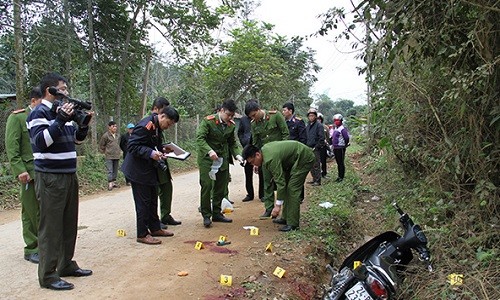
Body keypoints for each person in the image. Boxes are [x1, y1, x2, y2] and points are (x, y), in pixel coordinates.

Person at [26, 72, 93, 290]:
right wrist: (61, 120)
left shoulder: (60, 112)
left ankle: (66, 265)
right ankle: (48, 276)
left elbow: (75, 140)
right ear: (50, 90)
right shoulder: (39, 112)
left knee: (68, 224)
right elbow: (41, 142)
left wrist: (82, 126)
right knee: (51, 228)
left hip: (68, 174)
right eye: (62, 89)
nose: (66, 92)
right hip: (50, 177)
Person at [121, 106, 180, 245]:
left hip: (148, 170)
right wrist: (151, 153)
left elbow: (153, 143)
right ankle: (142, 234)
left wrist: (161, 151)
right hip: (137, 171)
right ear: (162, 116)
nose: (169, 126)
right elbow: (133, 146)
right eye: (169, 123)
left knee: (153, 200)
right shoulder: (145, 126)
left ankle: (155, 228)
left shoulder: (157, 127)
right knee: (143, 203)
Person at [5, 86, 42, 264]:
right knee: (30, 211)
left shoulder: (45, 118)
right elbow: (12, 148)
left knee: (44, 210)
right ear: (33, 101)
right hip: (28, 172)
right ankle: (32, 248)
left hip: (44, 171)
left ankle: (44, 245)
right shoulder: (18, 118)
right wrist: (20, 170)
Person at [242, 140, 315, 232]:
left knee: (292, 189)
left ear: (257, 155)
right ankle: (285, 218)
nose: (253, 164)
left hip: (304, 158)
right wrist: (257, 165)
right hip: (293, 160)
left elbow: (281, 183)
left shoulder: (270, 158)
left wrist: (277, 206)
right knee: (288, 187)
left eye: (253, 162)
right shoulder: (264, 151)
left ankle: (293, 224)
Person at [197, 99, 243, 228]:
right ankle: (206, 215)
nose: (229, 117)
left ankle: (216, 213)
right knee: (207, 185)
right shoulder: (208, 121)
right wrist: (209, 151)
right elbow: (200, 138)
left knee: (220, 187)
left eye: (232, 116)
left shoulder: (231, 125)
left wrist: (237, 154)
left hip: (222, 159)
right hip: (207, 159)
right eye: (228, 114)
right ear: (221, 110)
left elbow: (232, 142)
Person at [245, 100, 289, 218]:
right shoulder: (254, 124)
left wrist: (284, 153)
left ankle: (285, 209)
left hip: (280, 156)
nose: (254, 118)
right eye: (251, 117)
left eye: (254, 115)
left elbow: (285, 133)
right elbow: (255, 143)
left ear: (259, 109)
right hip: (265, 158)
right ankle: (268, 208)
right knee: (267, 183)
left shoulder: (275, 116)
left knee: (282, 182)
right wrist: (255, 162)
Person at [149, 97, 182, 228]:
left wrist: (164, 149)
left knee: (167, 187)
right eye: (164, 110)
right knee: (153, 193)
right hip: (152, 162)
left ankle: (166, 215)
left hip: (160, 161)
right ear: (156, 109)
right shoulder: (148, 122)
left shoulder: (160, 124)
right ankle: (154, 220)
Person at [237, 113, 263, 202]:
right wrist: (244, 141)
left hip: (257, 149)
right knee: (248, 173)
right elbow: (239, 132)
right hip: (247, 149)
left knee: (261, 172)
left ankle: (262, 194)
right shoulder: (243, 120)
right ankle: (250, 194)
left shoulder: (259, 118)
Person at [99, 121, 121, 191]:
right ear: (109, 127)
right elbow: (101, 145)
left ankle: (114, 182)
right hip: (109, 156)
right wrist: (104, 152)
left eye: (115, 126)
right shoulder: (106, 135)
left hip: (116, 155)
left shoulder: (118, 135)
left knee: (115, 170)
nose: (115, 128)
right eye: (113, 126)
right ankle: (110, 183)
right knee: (110, 170)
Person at [305, 108, 325, 186]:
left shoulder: (319, 125)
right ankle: (314, 179)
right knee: (310, 165)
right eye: (309, 116)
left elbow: (321, 138)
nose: (311, 117)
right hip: (308, 147)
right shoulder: (308, 125)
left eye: (312, 116)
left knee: (316, 164)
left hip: (315, 147)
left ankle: (318, 180)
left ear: (315, 116)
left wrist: (317, 147)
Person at [331, 114, 350, 182]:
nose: (336, 122)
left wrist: (345, 144)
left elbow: (346, 137)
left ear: (341, 121)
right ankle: (339, 176)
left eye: (337, 120)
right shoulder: (336, 129)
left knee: (341, 162)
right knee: (338, 162)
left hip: (340, 148)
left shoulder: (342, 129)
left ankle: (341, 177)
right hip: (336, 148)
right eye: (335, 120)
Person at [317, 113, 331, 179]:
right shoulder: (313, 127)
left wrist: (327, 144)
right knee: (316, 162)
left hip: (323, 146)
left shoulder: (325, 127)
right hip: (316, 146)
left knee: (323, 161)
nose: (318, 120)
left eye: (319, 119)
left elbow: (328, 137)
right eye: (317, 119)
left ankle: (324, 173)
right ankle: (317, 175)